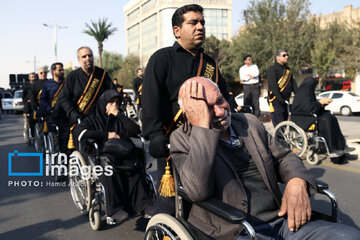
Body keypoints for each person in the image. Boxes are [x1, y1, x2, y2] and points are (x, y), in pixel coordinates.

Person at [170, 76, 360, 240]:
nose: (220, 111)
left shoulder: (249, 123)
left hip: (282, 221)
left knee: (350, 236)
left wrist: (297, 180)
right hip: (234, 230)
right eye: (207, 108)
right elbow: (198, 191)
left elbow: (285, 157)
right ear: (190, 113)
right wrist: (202, 127)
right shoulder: (181, 139)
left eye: (219, 100)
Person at [142, 4, 230, 214]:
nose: (200, 27)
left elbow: (224, 98)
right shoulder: (161, 58)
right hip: (173, 144)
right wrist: (154, 135)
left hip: (207, 142)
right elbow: (150, 101)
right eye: (193, 22)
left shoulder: (211, 64)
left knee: (209, 201)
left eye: (202, 23)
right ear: (177, 30)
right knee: (172, 209)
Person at [73, 90, 156, 221]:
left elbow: (135, 130)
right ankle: (115, 209)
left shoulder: (119, 119)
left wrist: (118, 114)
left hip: (123, 153)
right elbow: (79, 133)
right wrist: (107, 135)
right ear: (103, 103)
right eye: (111, 102)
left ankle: (144, 205)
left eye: (117, 102)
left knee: (135, 164)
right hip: (102, 154)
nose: (114, 105)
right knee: (109, 167)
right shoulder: (92, 119)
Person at [291, 77, 354, 161]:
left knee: (331, 117)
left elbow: (313, 107)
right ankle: (332, 148)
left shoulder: (308, 93)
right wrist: (320, 103)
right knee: (326, 120)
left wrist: (322, 104)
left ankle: (340, 145)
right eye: (314, 86)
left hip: (310, 116)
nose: (315, 88)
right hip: (303, 119)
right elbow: (310, 109)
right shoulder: (302, 95)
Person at [59, 46, 113, 125]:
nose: (88, 58)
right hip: (80, 120)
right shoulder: (72, 76)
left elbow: (111, 92)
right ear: (79, 60)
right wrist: (72, 114)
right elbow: (65, 99)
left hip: (100, 119)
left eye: (90, 55)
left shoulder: (102, 74)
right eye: (84, 56)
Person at [39, 62, 69, 155]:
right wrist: (49, 109)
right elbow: (43, 99)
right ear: (53, 71)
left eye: (63, 70)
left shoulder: (67, 82)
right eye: (60, 70)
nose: (62, 71)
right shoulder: (47, 84)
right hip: (53, 114)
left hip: (66, 113)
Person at [267, 49, 297, 127]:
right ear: (277, 57)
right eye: (284, 55)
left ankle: (282, 139)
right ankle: (278, 139)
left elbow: (293, 84)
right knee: (279, 125)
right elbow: (273, 86)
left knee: (284, 123)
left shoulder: (288, 70)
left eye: (287, 55)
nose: (286, 57)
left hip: (286, 100)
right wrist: (280, 99)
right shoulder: (272, 70)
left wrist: (298, 95)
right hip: (276, 100)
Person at [22, 73, 37, 140]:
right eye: (32, 77)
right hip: (28, 108)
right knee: (27, 124)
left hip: (36, 106)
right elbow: (23, 97)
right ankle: (27, 136)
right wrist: (27, 100)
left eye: (34, 77)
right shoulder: (26, 86)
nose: (33, 78)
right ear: (29, 78)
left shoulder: (38, 85)